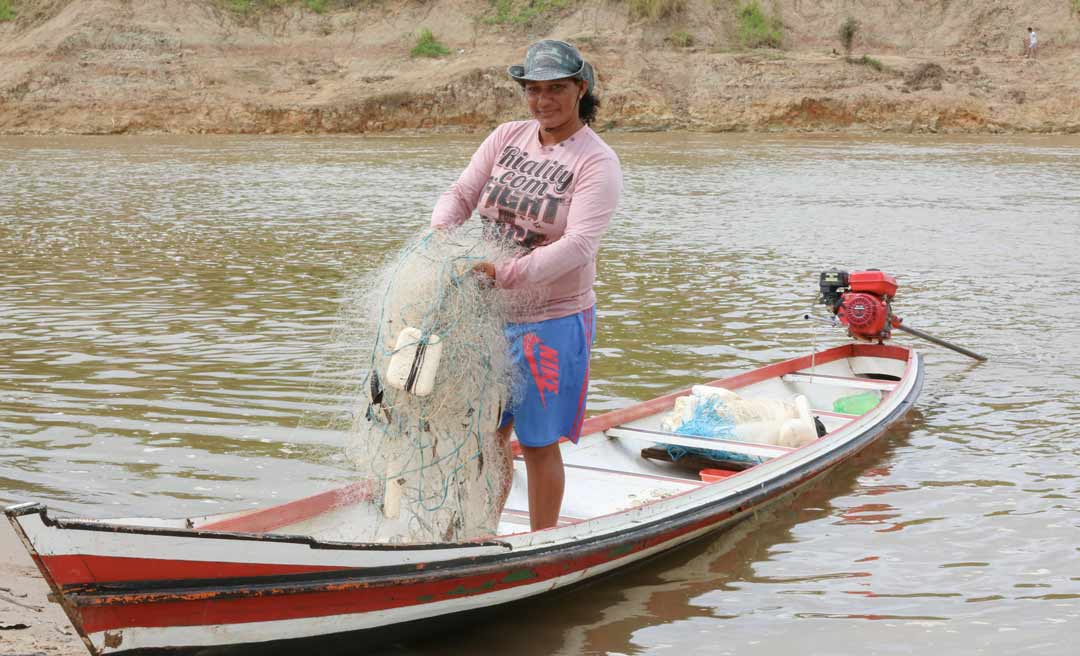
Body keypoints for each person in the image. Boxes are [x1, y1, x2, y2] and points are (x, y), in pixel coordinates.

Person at [430, 40, 622, 531]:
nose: (543, 101)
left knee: (537, 444)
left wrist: (504, 274)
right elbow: (461, 194)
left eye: (556, 88)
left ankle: (541, 543)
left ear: (581, 88)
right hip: (489, 318)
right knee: (486, 435)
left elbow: (578, 244)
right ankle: (480, 534)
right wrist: (440, 233)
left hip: (552, 321)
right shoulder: (507, 137)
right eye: (533, 90)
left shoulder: (596, 162)